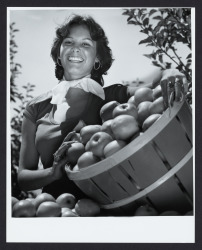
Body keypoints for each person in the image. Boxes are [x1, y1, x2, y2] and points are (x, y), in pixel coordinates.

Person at [18, 14, 187, 199]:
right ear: (59, 53)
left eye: (85, 44)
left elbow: (150, 91)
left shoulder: (113, 96)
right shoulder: (35, 108)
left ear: (97, 58)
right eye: (69, 43)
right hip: (56, 210)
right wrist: (52, 173)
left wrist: (170, 72)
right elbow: (24, 177)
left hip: (112, 205)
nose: (76, 50)